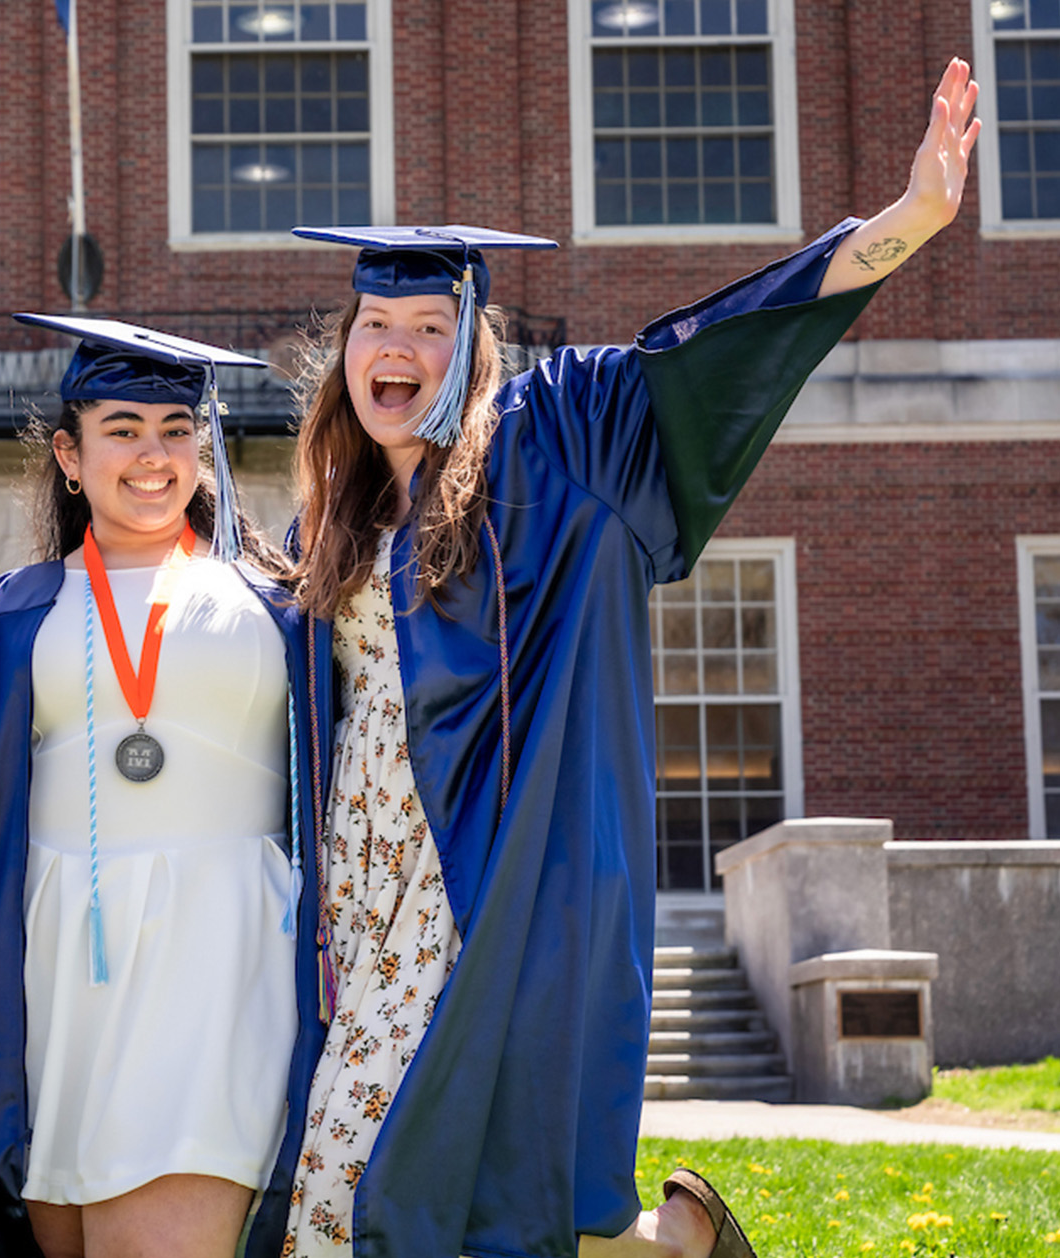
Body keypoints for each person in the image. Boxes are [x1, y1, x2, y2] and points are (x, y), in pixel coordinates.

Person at [254, 58, 981, 1258]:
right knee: (410, 1185)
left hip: (481, 886)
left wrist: (899, 227)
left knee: (356, 1182)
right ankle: (669, 1247)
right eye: (374, 326)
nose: (397, 347)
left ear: (471, 349)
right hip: (359, 899)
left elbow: (721, 350)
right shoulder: (328, 521)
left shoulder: (554, 443)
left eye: (429, 327)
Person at [0, 317, 333, 1258]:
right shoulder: (13, 611)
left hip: (213, 963)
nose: (151, 453)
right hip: (53, 979)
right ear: (68, 455)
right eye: (121, 428)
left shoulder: (276, 606)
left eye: (175, 428)